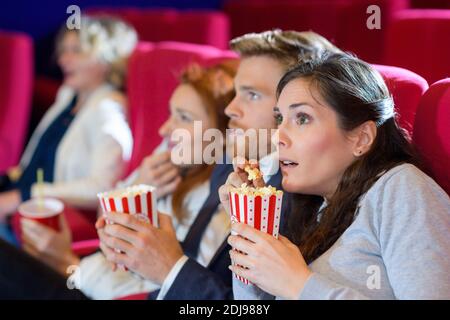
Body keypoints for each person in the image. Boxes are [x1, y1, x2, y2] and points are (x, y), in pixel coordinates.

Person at [96, 30, 343, 300]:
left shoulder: (301, 201)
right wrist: (139, 246)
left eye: (252, 95)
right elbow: (201, 259)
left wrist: (169, 269)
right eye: (236, 92)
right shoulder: (230, 163)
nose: (230, 109)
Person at [0, 62, 236, 299]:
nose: (164, 129)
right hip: (84, 274)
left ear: (224, 134)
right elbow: (105, 218)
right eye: (170, 114)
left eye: (183, 118)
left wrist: (64, 263)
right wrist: (141, 186)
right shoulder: (168, 158)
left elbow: (171, 289)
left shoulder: (222, 200)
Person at [224, 53, 450, 300]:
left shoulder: (402, 190)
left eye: (302, 118)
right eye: (280, 118)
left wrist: (299, 284)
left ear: (361, 138)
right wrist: (250, 226)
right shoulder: (317, 206)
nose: (278, 136)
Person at [0, 16, 137, 243]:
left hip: (41, 222)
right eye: (64, 50)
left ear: (106, 60)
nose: (64, 59)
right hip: (17, 205)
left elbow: (103, 187)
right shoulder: (69, 96)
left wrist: (24, 196)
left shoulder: (107, 110)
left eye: (77, 51)